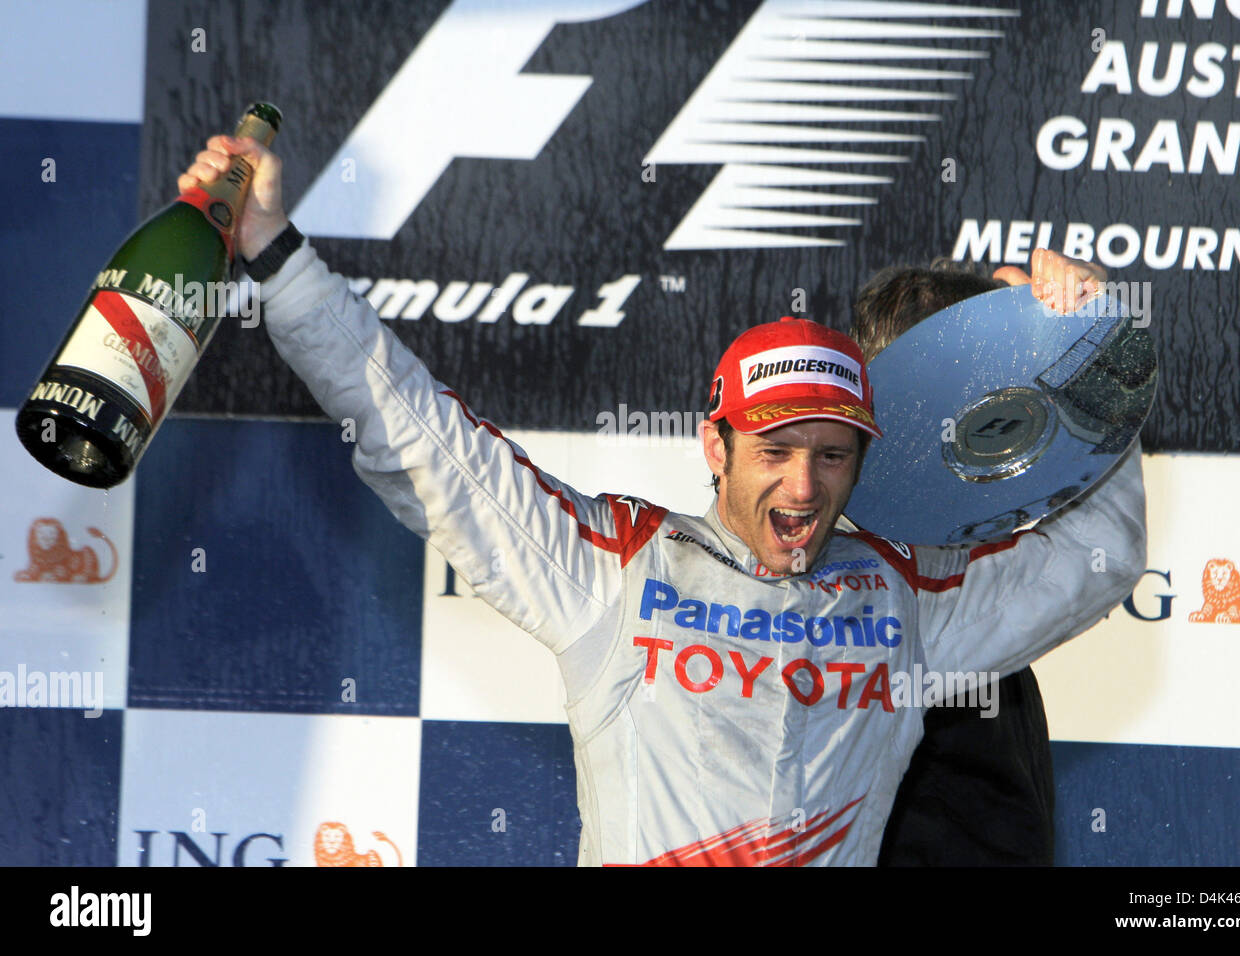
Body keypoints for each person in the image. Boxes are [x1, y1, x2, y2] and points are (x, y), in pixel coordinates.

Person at [179, 135, 1146, 866]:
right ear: (713, 445)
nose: (804, 486)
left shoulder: (907, 602)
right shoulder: (618, 567)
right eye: (775, 449)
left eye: (834, 455)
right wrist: (273, 249)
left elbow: (1090, 563)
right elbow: (419, 436)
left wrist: (1085, 356)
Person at [851, 257, 1094, 866]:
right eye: (985, 368)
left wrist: (1072, 319)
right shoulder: (854, 547)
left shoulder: (972, 519)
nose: (1006, 388)